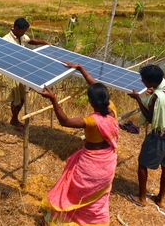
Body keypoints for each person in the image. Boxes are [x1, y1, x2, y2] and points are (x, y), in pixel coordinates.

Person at [37, 62, 119, 225]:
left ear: (91, 102)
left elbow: (65, 121)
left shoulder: (92, 121)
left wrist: (53, 99)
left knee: (76, 192)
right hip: (107, 166)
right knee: (97, 199)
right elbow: (96, 86)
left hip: (90, 167)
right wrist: (81, 69)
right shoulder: (112, 111)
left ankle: (74, 219)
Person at [127, 65, 165, 208]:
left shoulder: (158, 98)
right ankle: (161, 199)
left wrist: (138, 100)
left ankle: (142, 199)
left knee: (142, 163)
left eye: (143, 79)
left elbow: (151, 118)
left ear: (151, 82)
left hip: (161, 136)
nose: (142, 81)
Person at [2, 17, 50, 131]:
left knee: (23, 96)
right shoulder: (6, 40)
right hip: (12, 72)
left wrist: (43, 43)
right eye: (23, 31)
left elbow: (30, 41)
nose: (24, 33)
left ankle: (15, 119)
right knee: (16, 98)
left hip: (22, 71)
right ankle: (14, 120)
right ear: (16, 28)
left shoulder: (21, 36)